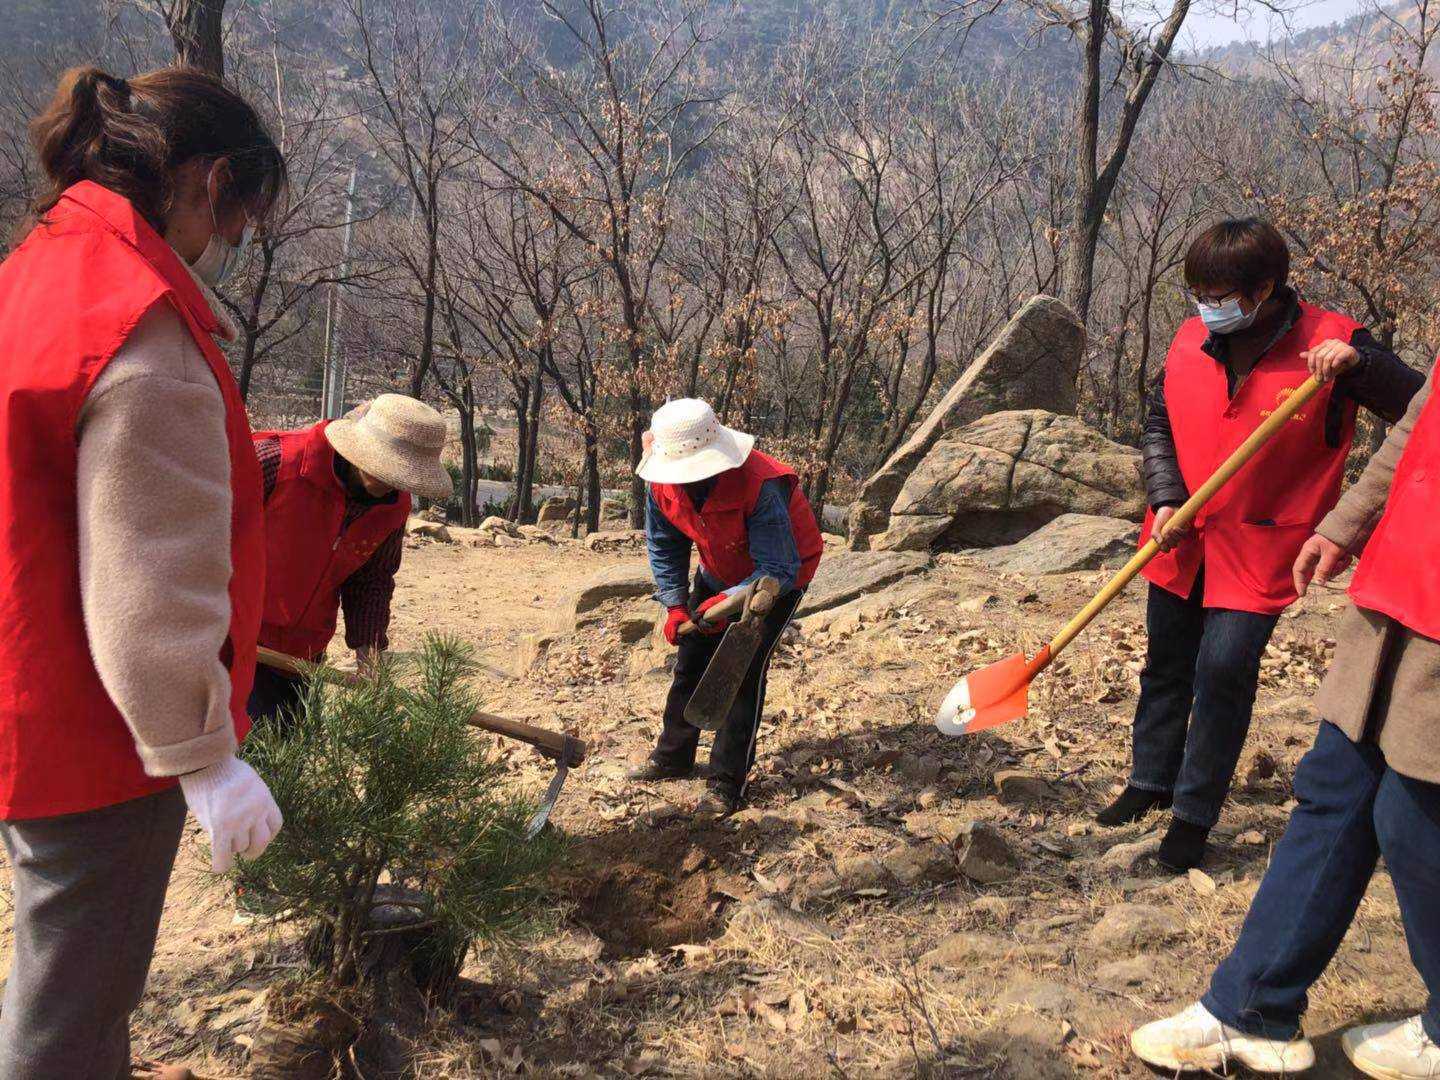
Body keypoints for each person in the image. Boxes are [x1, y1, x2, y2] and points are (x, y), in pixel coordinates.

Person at [0, 67, 288, 1079]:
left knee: (60, 978)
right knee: (73, 1013)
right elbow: (148, 575)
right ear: (211, 183)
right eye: (239, 222)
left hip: (26, 689)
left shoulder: (36, 271)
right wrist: (202, 753)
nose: (230, 246)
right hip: (95, 738)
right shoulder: (141, 326)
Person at [1130, 360, 1440, 1079]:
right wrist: (1346, 524)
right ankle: (1252, 1009)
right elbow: (1416, 431)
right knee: (1332, 794)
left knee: (1414, 814)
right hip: (1393, 595)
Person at [1097, 218, 1422, 871]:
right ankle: (1149, 782)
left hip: (1264, 545)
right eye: (1199, 292)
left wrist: (1361, 365)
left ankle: (1192, 816)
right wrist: (1164, 496)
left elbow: (1421, 407)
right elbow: (1161, 422)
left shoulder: (1331, 343)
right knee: (1166, 666)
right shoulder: (1192, 339)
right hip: (1181, 535)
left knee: (1222, 672)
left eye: (1219, 293)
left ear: (1265, 288)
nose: (1205, 307)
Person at [630, 399, 823, 814]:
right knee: (691, 661)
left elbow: (779, 566)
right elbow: (665, 545)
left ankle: (725, 782)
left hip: (781, 576)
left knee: (740, 669)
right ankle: (673, 756)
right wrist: (676, 604)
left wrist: (731, 601)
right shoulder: (660, 485)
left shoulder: (760, 483)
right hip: (718, 569)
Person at [247, 395, 452, 727]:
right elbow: (200, 540)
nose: (390, 483)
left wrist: (369, 657)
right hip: (232, 640)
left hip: (301, 654)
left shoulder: (393, 507)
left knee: (279, 762)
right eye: (385, 467)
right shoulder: (276, 461)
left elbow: (371, 581)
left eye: (401, 476)